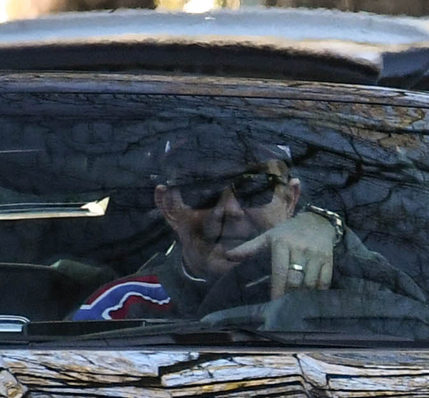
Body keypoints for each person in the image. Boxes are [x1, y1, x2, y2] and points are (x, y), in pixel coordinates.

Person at [71, 133, 367, 321]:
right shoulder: (118, 309)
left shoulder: (343, 292)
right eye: (203, 189)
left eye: (254, 188)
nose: (230, 209)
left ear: (290, 200)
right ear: (168, 207)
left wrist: (331, 229)